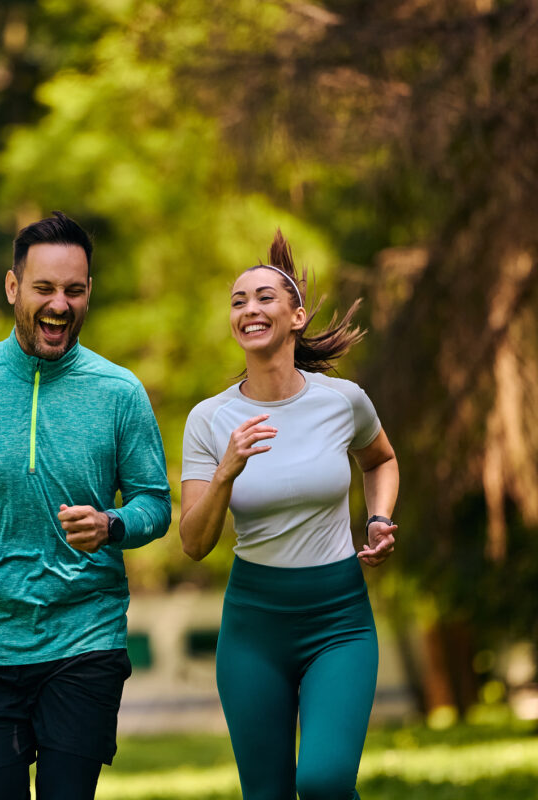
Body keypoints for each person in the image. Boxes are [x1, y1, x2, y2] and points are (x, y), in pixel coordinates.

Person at [0, 211, 171, 800]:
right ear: (13, 287)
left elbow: (155, 503)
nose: (59, 305)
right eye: (44, 288)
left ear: (89, 292)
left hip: (84, 637)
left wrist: (113, 524)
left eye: (73, 290)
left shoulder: (119, 392)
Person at [179, 229, 399, 800]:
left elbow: (382, 460)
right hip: (254, 626)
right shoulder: (209, 420)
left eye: (263, 297)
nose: (249, 308)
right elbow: (194, 542)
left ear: (297, 316)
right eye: (238, 301)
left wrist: (377, 519)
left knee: (324, 783)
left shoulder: (342, 400)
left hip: (338, 620)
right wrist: (225, 472)